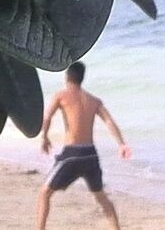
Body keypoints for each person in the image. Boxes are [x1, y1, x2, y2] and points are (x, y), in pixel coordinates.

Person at [36, 62, 131, 230]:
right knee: (102, 198)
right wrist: (121, 144)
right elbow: (109, 121)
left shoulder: (61, 95)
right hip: (90, 155)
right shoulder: (94, 100)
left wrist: (44, 137)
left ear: (67, 77)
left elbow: (47, 117)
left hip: (72, 155)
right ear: (81, 78)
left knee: (45, 193)